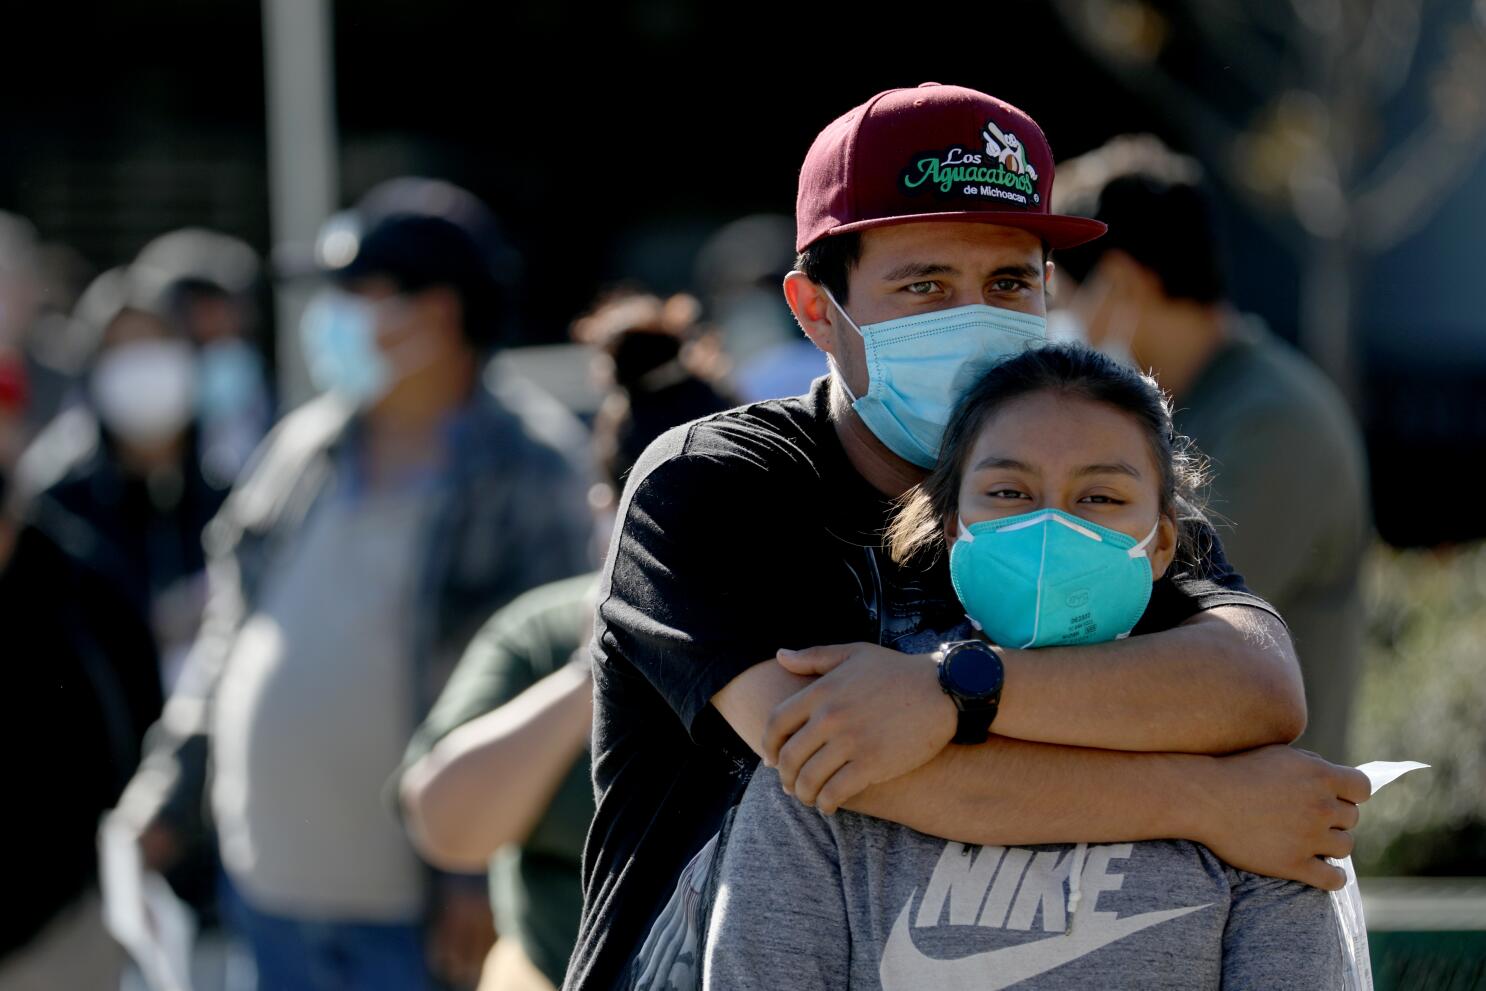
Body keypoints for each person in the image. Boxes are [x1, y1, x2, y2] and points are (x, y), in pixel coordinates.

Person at [566, 83, 1369, 991]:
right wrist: (1210, 801)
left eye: (1009, 283)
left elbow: (1254, 683)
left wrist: (953, 693)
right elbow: (857, 778)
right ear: (815, 308)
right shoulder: (713, 487)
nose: (977, 320)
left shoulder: (1081, 477)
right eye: (925, 286)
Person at [705, 344, 1349, 989]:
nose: (1051, 527)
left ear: (1162, 544)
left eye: (1100, 497)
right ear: (953, 525)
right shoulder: (842, 744)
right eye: (1009, 491)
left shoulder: (1262, 792)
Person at [115, 177, 595, 991]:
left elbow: (545, 682)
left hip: (421, 927)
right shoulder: (305, 446)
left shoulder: (530, 471)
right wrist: (171, 792)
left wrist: (473, 878)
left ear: (438, 314)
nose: (327, 320)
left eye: (356, 294)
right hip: (266, 896)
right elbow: (232, 632)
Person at [399, 290, 737, 991]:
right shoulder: (543, 633)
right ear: (606, 509)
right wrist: (597, 668)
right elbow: (442, 821)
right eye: (653, 519)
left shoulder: (800, 631)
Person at [1048, 135, 1371, 761]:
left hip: (1261, 836)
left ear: (1121, 284)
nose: (1061, 328)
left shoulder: (1274, 424)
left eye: (1060, 301)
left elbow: (1156, 628)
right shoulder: (1191, 407)